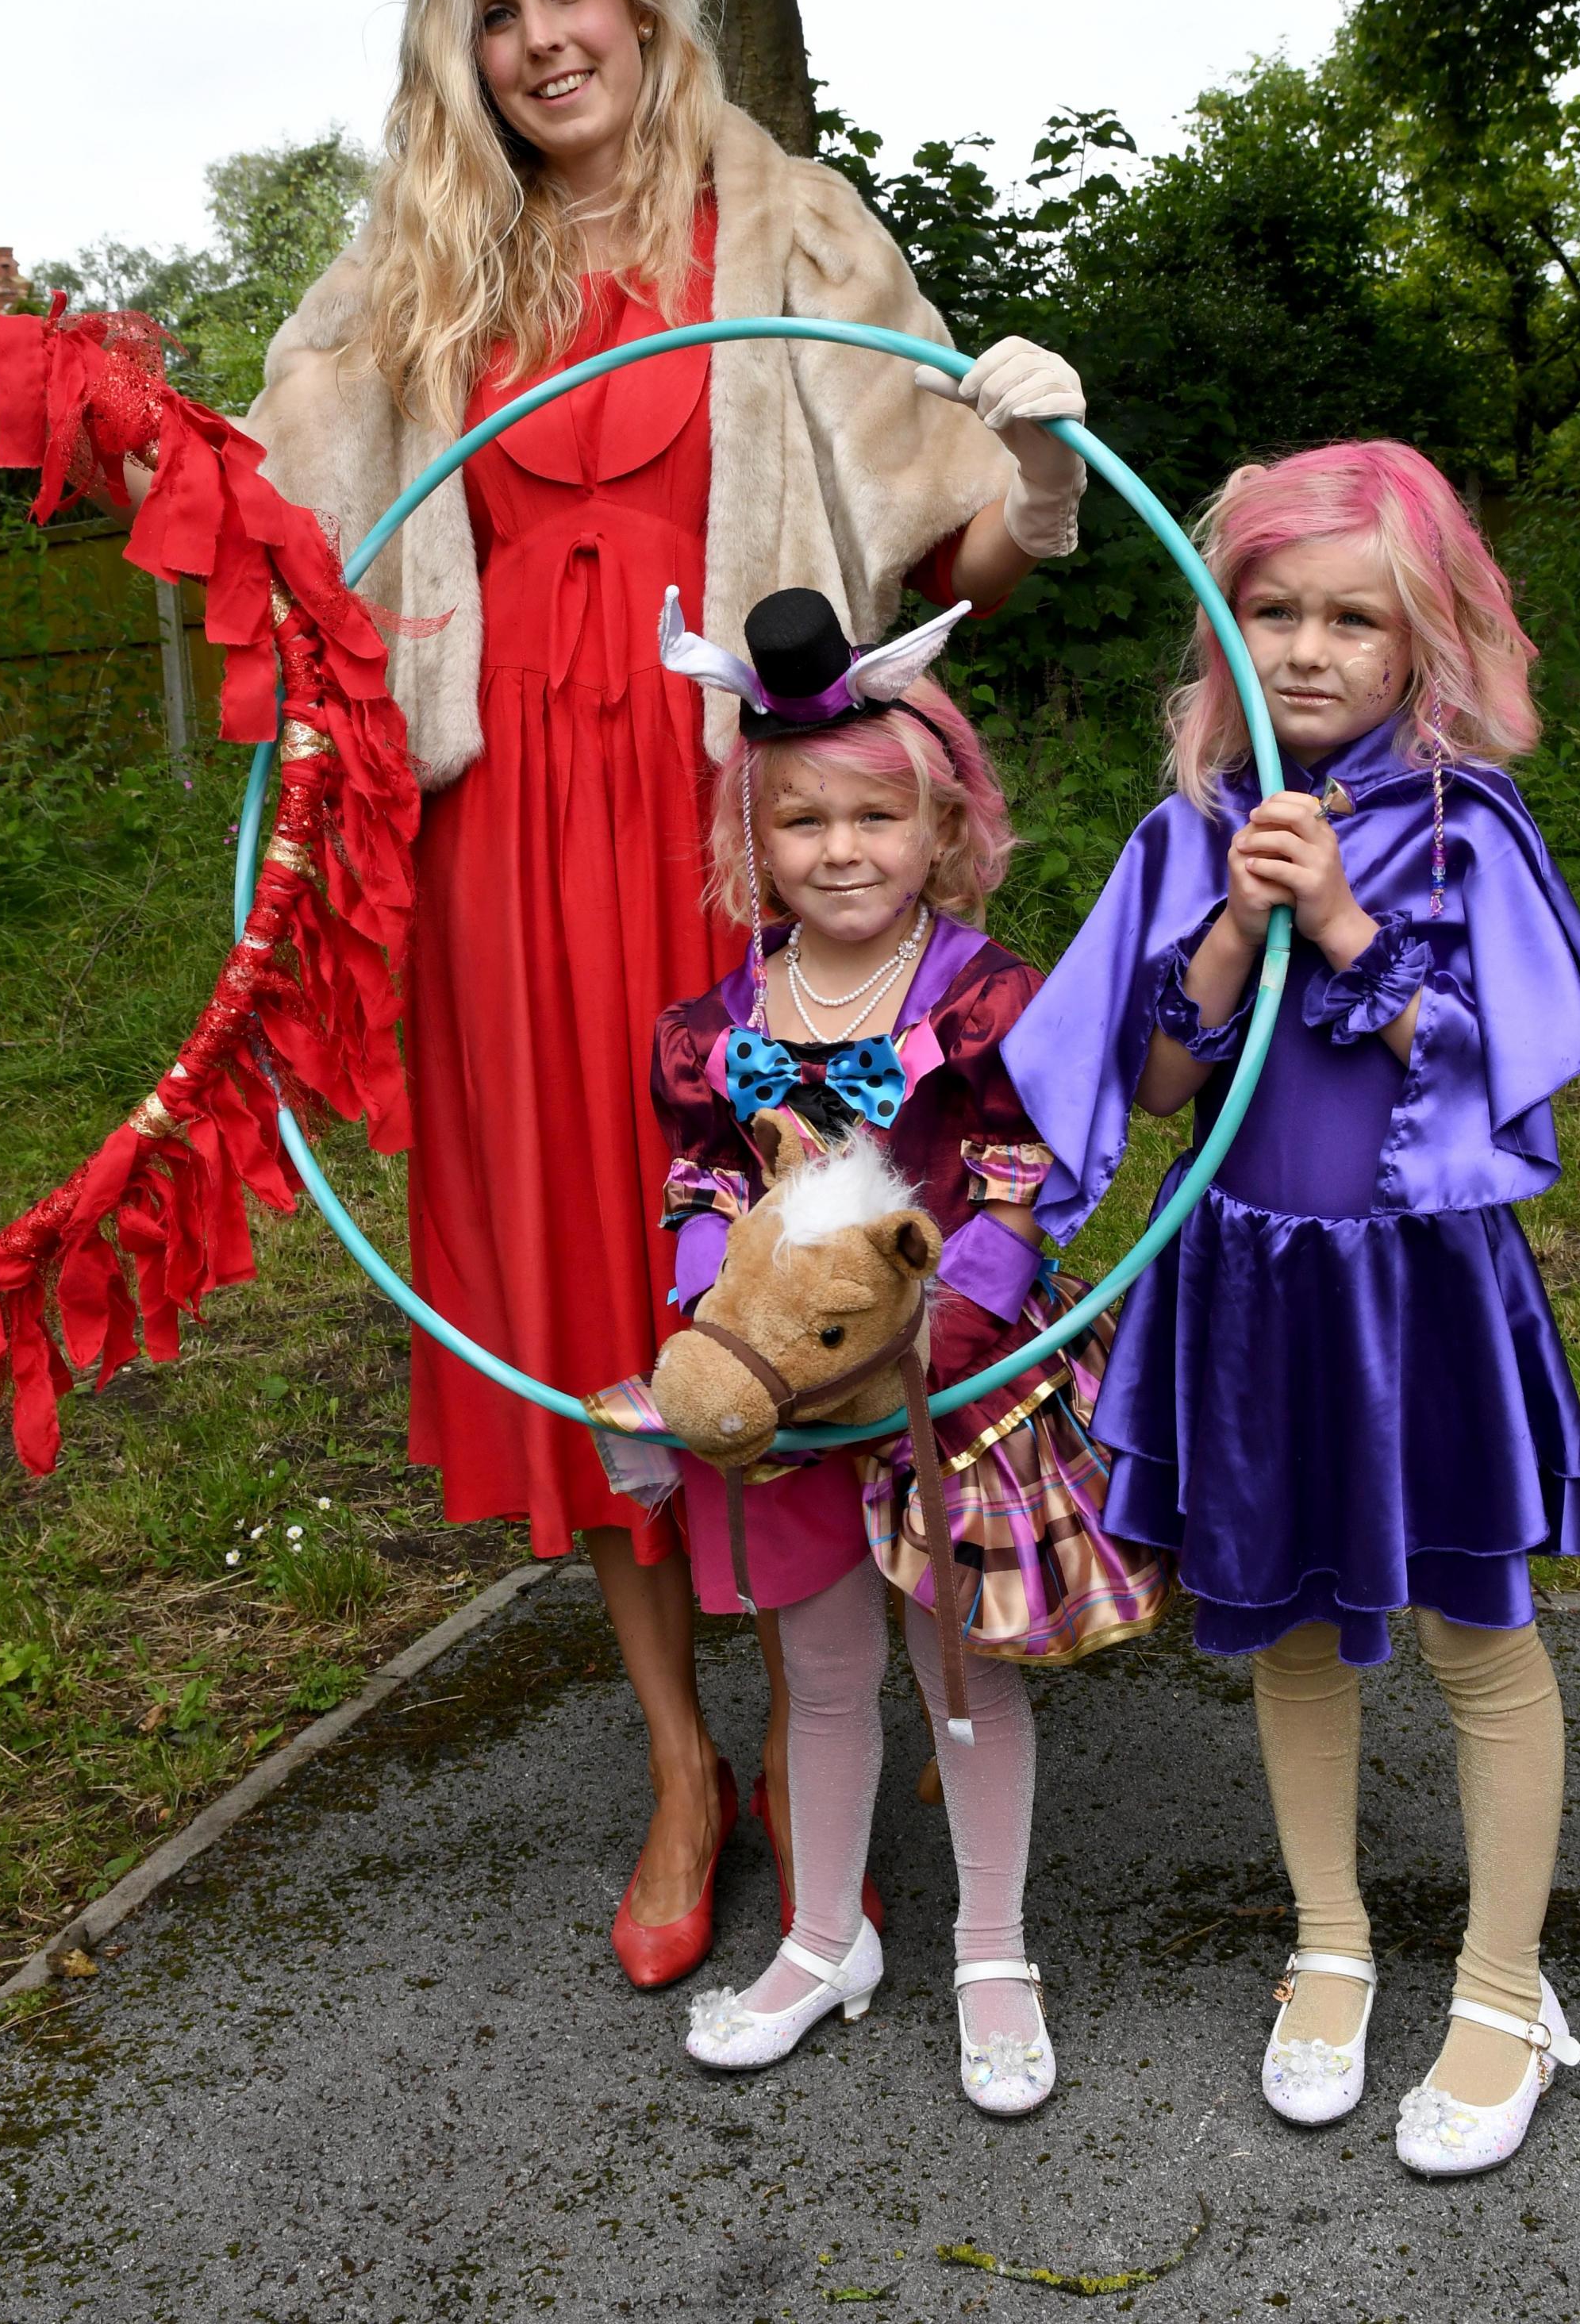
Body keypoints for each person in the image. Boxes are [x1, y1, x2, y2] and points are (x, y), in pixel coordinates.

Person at [0, 0, 1094, 1987]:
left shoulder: (790, 228)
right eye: (495, 12)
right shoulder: (416, 275)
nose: (542, 41)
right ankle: (681, 1763)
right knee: (571, 1282)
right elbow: (254, 508)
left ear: (643, 4)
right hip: (503, 847)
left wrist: (1045, 465)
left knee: (782, 1232)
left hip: (741, 829)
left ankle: (836, 1732)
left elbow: (956, 541)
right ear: (461, 59)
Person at [1001, 441, 1580, 2176]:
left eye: (1350, 618)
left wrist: (1351, 927)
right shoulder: (1189, 831)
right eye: (1272, 611)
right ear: (1227, 634)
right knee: (1287, 1626)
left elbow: (1500, 1065)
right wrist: (1224, 932)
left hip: (1417, 1295)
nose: (1305, 650)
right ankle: (1333, 1942)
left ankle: (1505, 1987)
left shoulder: (1462, 832)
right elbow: (1143, 1084)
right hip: (1248, 1290)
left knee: (1472, 1632)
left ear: (1421, 639)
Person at [613, 584, 1167, 2110]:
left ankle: (993, 1947)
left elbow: (1017, 1172)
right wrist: (728, 1327)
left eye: (876, 817)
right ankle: (819, 1937)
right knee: (826, 1666)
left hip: (950, 1392)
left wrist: (960, 1326)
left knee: (962, 1674)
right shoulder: (721, 1018)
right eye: (800, 822)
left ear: (945, 829)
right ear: (753, 841)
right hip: (789, 1402)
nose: (840, 849)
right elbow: (704, 1177)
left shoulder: (985, 997)